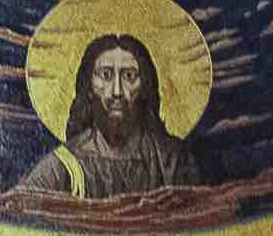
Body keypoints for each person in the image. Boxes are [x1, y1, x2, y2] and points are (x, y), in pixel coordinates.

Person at [18, 31, 202, 195]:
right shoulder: (62, 168)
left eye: (129, 76)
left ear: (145, 87)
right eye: (106, 75)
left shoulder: (173, 161)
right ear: (88, 87)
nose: (117, 91)